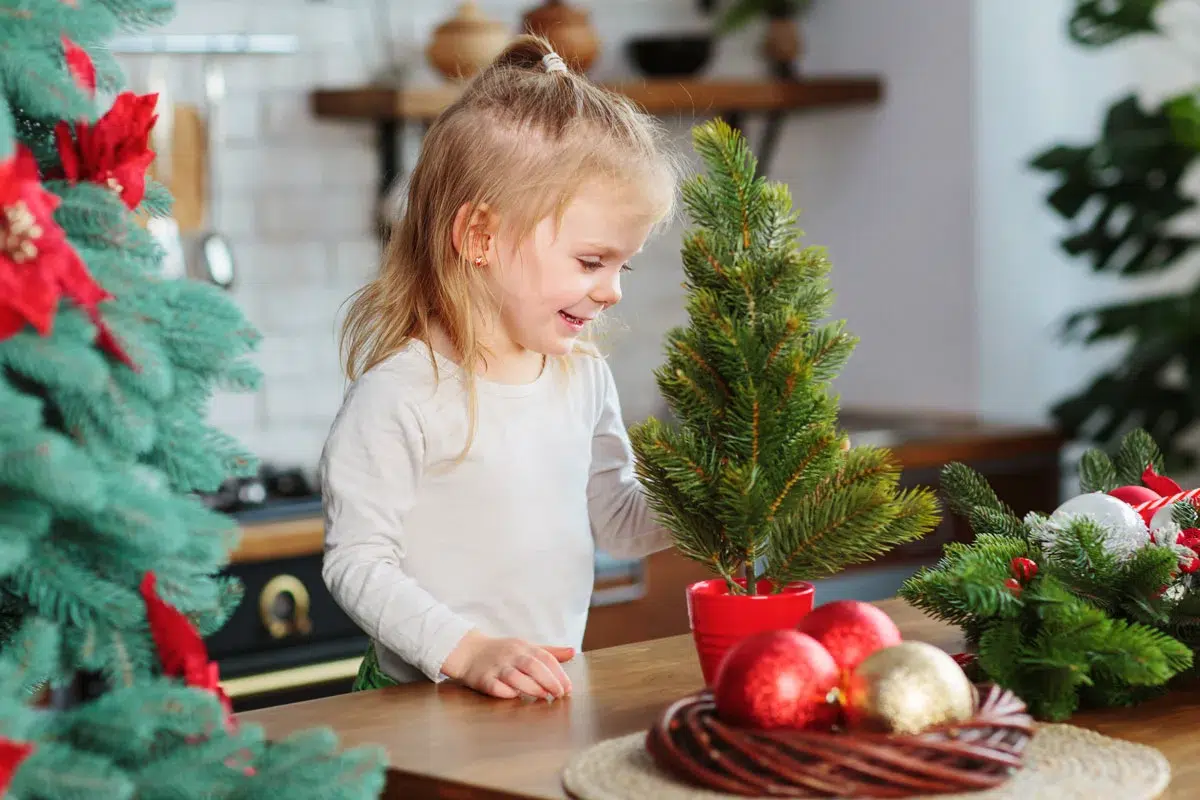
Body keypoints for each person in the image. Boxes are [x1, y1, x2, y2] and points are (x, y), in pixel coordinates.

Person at [318, 35, 685, 701]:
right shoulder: (399, 397)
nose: (613, 291)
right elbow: (357, 563)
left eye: (620, 266)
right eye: (590, 261)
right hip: (418, 700)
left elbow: (619, 525)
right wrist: (468, 652)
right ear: (481, 237)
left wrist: (708, 497)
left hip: (545, 695)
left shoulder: (581, 378)